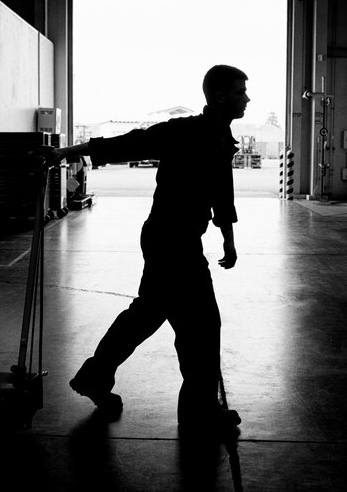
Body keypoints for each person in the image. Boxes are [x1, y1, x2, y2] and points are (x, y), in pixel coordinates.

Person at [44, 64, 250, 436]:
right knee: (202, 325)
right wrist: (66, 151)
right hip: (170, 241)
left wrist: (228, 238)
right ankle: (200, 409)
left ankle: (95, 377)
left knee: (147, 315)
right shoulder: (184, 131)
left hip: (180, 239)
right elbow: (129, 143)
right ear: (220, 97)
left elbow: (222, 192)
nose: (246, 99)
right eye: (240, 92)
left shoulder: (222, 137)